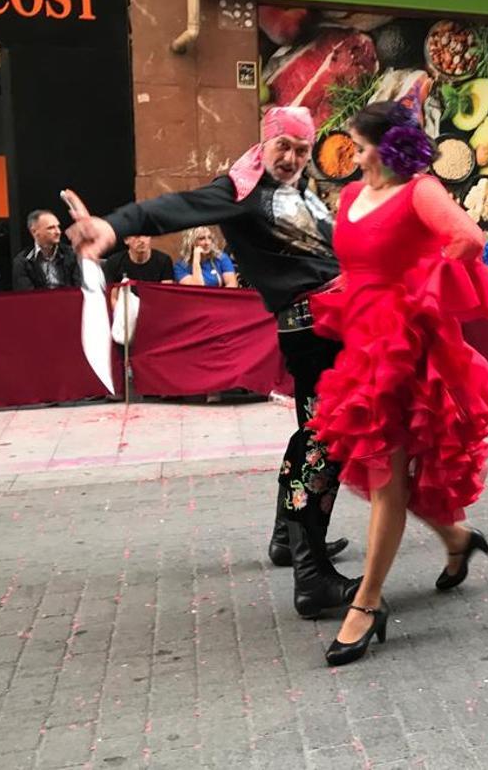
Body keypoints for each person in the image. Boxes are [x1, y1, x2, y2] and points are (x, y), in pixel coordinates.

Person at [63, 106, 356, 622]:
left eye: (301, 149)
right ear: (263, 142)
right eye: (283, 146)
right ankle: (312, 576)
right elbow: (174, 208)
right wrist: (111, 227)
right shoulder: (239, 190)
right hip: (313, 332)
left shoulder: (299, 190)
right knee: (324, 442)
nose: (291, 158)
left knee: (314, 435)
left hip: (331, 325)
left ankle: (288, 541)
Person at [305, 101, 488, 666]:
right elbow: (359, 262)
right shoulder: (352, 197)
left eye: (359, 146)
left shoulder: (420, 191)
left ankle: (367, 603)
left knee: (386, 475)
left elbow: (468, 239)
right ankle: (457, 539)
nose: (353, 157)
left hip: (403, 350)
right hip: (362, 343)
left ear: (387, 146)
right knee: (387, 470)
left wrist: (418, 290)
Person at [13, 209, 81, 291]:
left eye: (58, 226)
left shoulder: (71, 254)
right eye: (51, 228)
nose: (58, 232)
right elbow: (26, 295)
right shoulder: (22, 261)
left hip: (69, 298)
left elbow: (79, 288)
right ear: (34, 231)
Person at [173, 226, 238, 287]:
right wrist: (196, 261)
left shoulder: (221, 258)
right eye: (202, 238)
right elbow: (197, 287)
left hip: (220, 295)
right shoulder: (180, 266)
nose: (207, 242)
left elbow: (232, 285)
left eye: (209, 237)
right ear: (191, 242)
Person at [103, 235, 174, 285]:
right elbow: (111, 296)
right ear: (126, 240)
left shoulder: (164, 261)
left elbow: (166, 294)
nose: (142, 240)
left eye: (146, 235)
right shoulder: (113, 262)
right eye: (137, 236)